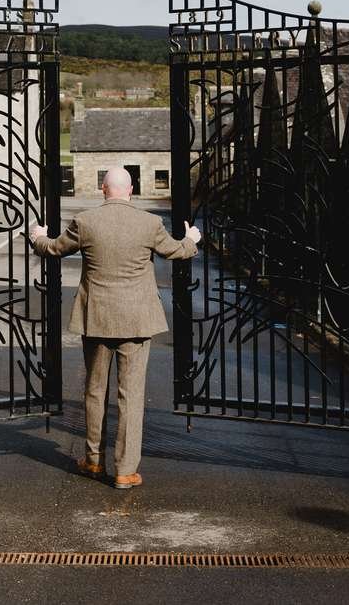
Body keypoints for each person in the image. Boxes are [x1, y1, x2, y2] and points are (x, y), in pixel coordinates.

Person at [28, 166, 201, 490]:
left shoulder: (86, 221)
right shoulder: (149, 223)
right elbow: (176, 251)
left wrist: (37, 236)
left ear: (103, 189)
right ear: (131, 189)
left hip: (97, 318)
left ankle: (93, 461)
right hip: (136, 321)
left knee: (95, 392)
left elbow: (53, 248)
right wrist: (191, 239)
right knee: (131, 396)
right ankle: (124, 470)